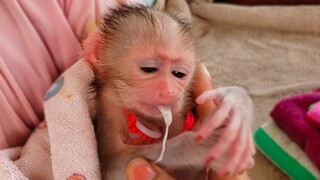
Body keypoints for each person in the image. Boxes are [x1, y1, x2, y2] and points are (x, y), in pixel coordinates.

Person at [0, 0, 253, 179]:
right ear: (98, 54)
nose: (168, 90)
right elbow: (114, 167)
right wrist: (201, 146)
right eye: (149, 68)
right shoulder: (107, 100)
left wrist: (238, 102)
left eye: (179, 74)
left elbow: (208, 119)